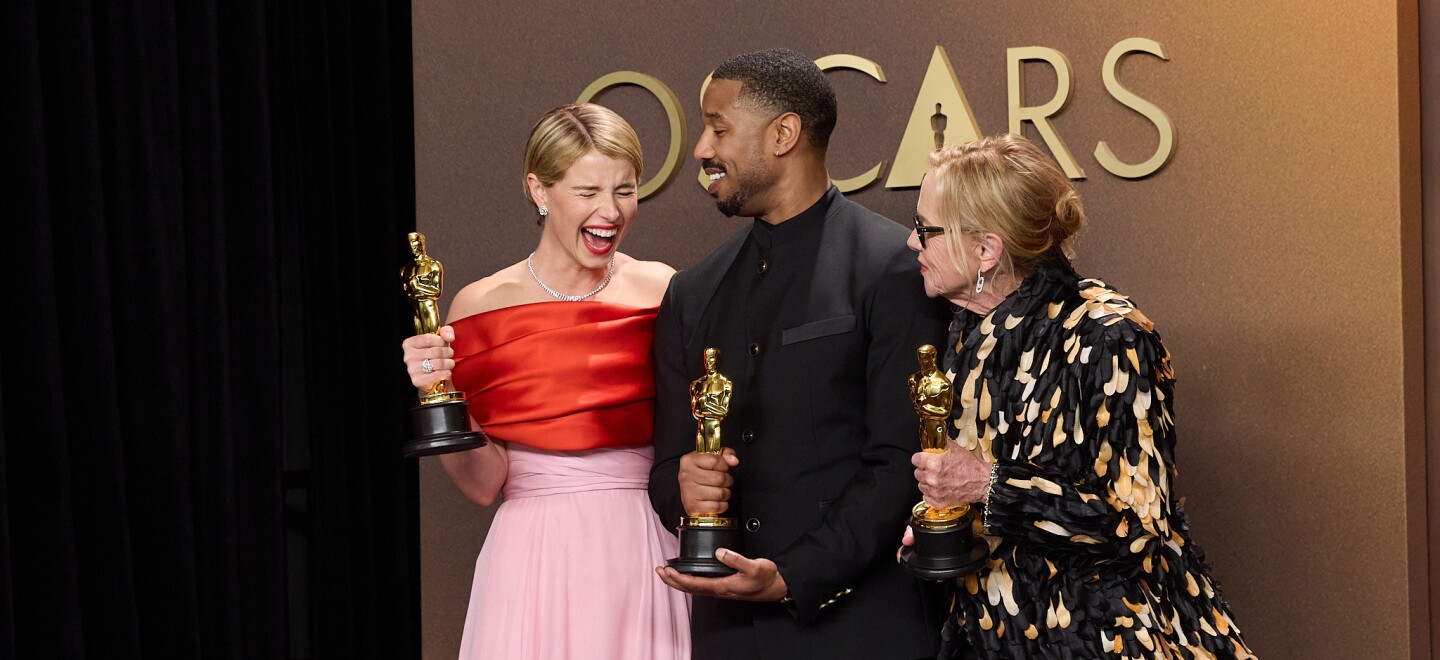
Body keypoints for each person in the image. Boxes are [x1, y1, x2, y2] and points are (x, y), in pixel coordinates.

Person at [647, 48, 952, 660]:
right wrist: (682, 486)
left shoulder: (893, 267)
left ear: (784, 134)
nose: (702, 149)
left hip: (864, 631)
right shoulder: (692, 292)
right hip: (730, 637)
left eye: (719, 129)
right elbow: (666, 469)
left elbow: (903, 462)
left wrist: (792, 576)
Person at [903, 134, 1256, 658]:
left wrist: (987, 484)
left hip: (1103, 639)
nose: (911, 243)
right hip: (995, 635)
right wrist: (944, 527)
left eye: (925, 229)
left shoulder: (1110, 335)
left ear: (986, 250)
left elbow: (1137, 529)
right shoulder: (967, 332)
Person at [401, 103, 688, 660]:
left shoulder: (664, 290)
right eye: (587, 192)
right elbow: (483, 484)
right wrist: (438, 390)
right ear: (539, 189)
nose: (610, 212)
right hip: (533, 553)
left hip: (643, 545)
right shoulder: (480, 306)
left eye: (625, 190)